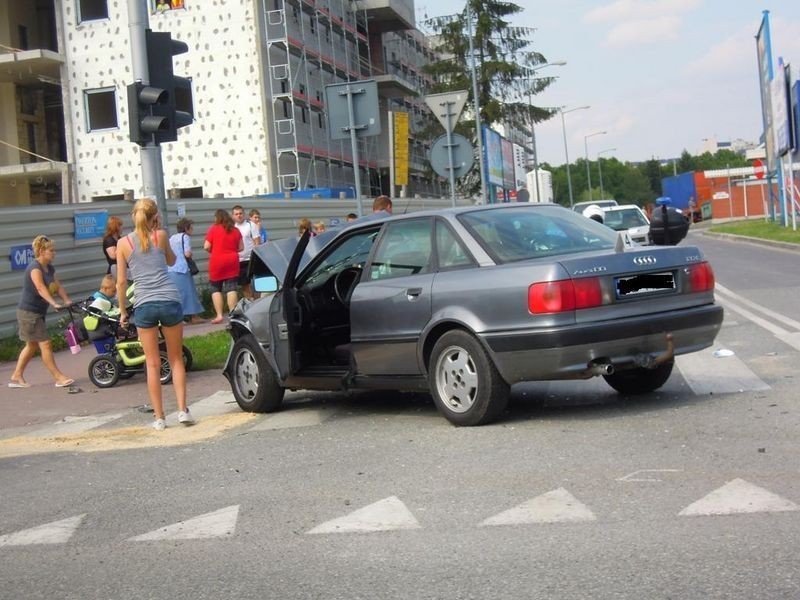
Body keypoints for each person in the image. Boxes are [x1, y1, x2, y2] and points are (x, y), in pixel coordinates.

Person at [116, 198, 194, 431]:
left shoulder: (122, 243)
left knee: (152, 364)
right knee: (176, 358)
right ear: (155, 217)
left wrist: (122, 311)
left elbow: (121, 282)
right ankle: (182, 411)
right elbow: (171, 261)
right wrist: (158, 229)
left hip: (144, 303)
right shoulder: (160, 236)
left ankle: (160, 417)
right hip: (169, 299)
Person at [9, 235, 75, 389]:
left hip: (37, 312)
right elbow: (40, 287)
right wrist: (53, 303)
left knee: (31, 345)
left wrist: (66, 300)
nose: (54, 253)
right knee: (45, 344)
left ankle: (16, 375)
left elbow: (56, 285)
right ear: (41, 251)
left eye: (54, 250)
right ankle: (58, 377)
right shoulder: (34, 268)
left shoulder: (49, 268)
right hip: (29, 312)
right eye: (51, 250)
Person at [204, 208, 243, 324]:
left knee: (216, 288)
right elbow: (241, 248)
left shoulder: (213, 229)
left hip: (217, 260)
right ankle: (232, 313)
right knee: (231, 288)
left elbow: (206, 246)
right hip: (232, 260)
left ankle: (219, 315)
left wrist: (214, 250)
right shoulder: (236, 230)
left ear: (217, 218)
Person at [168, 218, 205, 325]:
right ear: (186, 228)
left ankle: (179, 317)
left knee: (177, 294)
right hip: (182, 269)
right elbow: (187, 253)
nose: (192, 230)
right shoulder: (185, 237)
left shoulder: (172, 238)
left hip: (171, 269)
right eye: (191, 227)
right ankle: (194, 316)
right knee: (189, 293)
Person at [232, 205, 260, 299]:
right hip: (238, 260)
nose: (239, 215)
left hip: (250, 258)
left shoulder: (251, 225)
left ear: (244, 214)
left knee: (255, 283)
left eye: (240, 213)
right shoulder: (232, 227)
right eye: (236, 214)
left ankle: (257, 302)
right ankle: (249, 304)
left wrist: (256, 256)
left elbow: (257, 242)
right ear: (233, 216)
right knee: (244, 285)